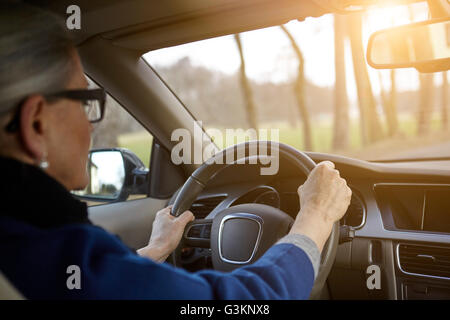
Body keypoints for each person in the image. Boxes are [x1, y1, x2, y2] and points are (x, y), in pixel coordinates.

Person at [0, 3, 352, 299]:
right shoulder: (46, 247)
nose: (91, 124)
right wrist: (316, 217)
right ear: (36, 124)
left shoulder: (28, 248)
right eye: (85, 101)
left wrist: (155, 250)